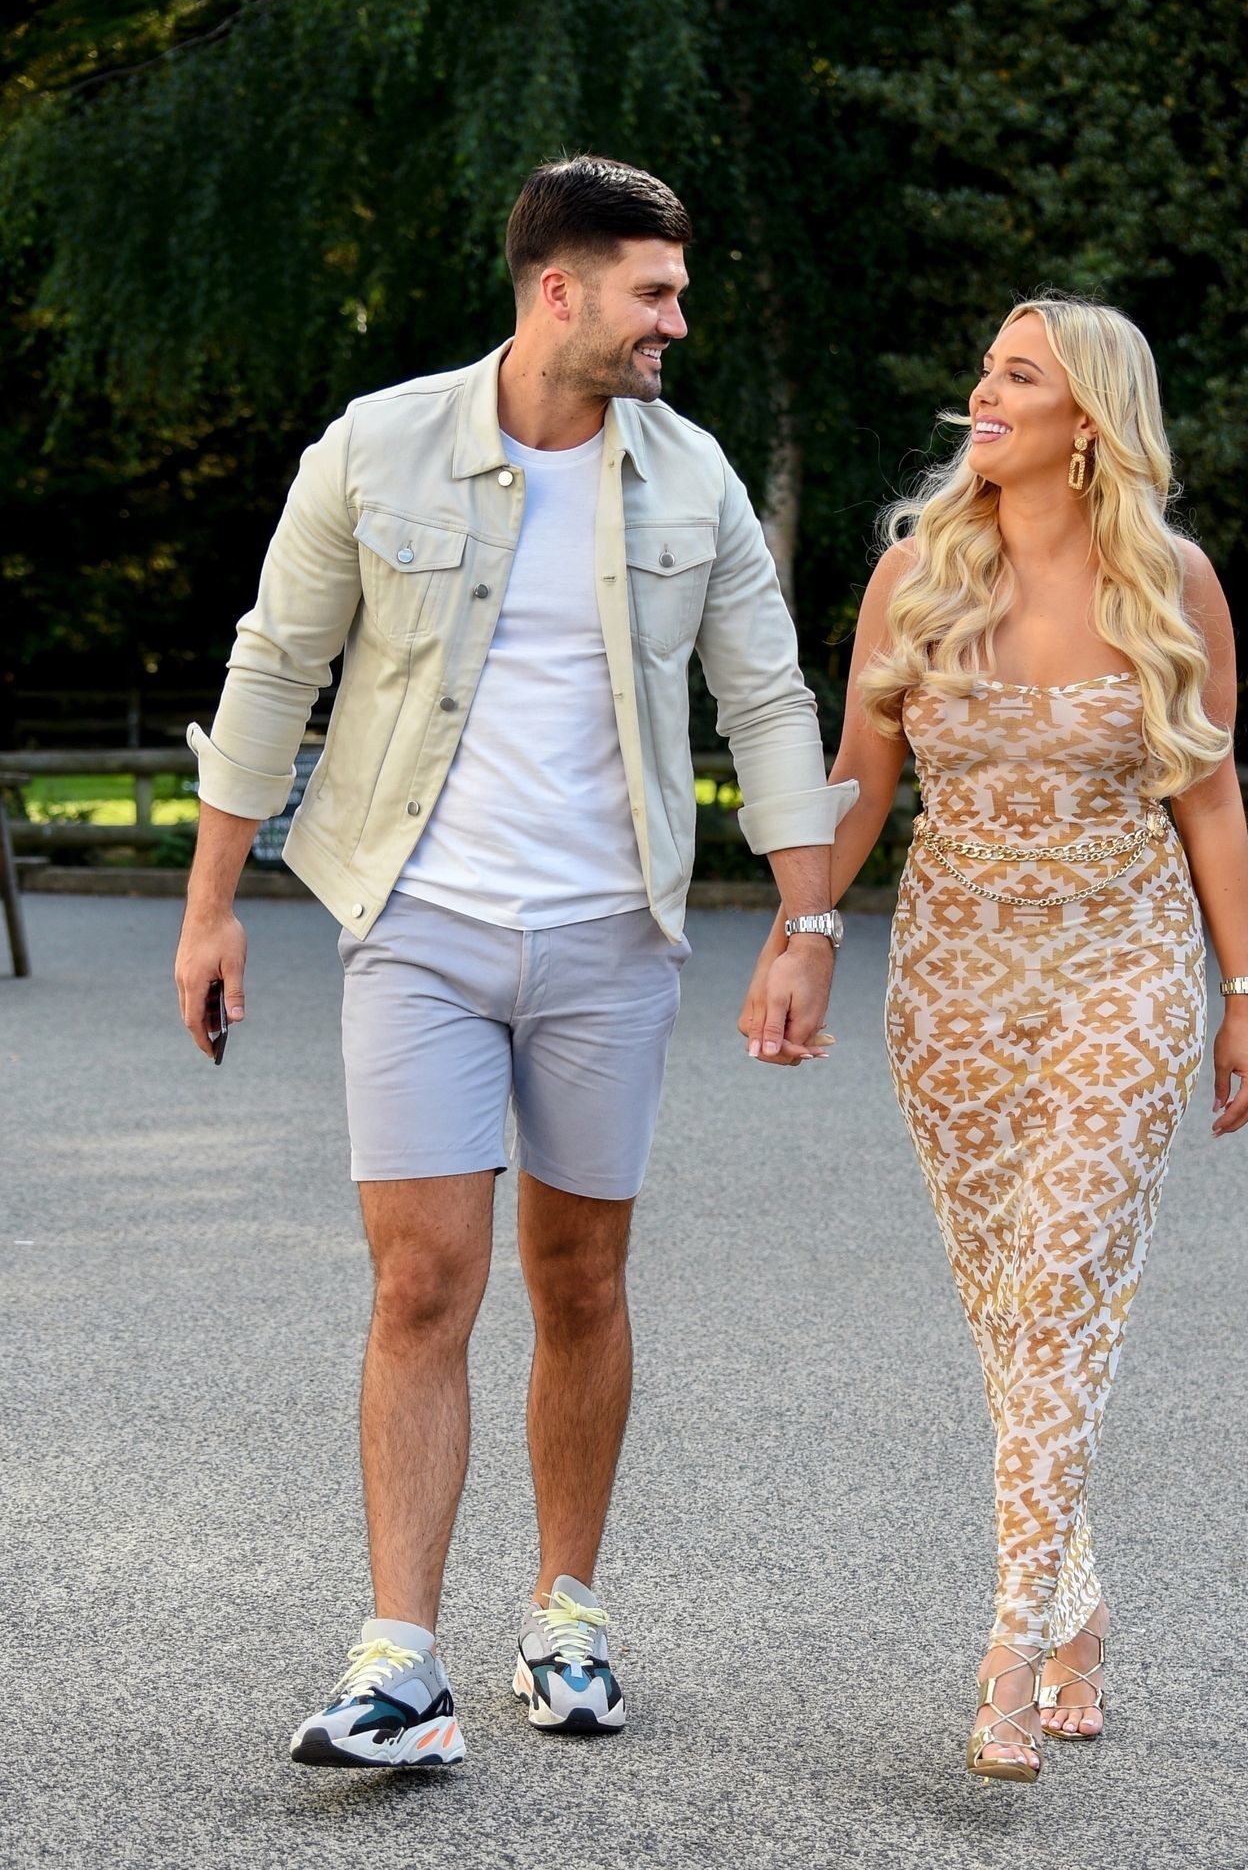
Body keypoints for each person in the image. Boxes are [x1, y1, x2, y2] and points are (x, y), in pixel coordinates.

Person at [173, 156, 856, 1768]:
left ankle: (567, 1613)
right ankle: (399, 1663)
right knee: (422, 1279)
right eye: (653, 293)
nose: (674, 322)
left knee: (579, 1277)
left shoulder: (692, 482)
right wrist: (210, 905)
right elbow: (273, 666)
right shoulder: (376, 445)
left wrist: (808, 922)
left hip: (611, 941)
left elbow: (768, 702)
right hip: (419, 926)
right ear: (560, 289)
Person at [740, 295, 1248, 1782]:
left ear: (1087, 418)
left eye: (1018, 375)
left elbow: (1208, 792)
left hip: (1124, 969)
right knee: (1010, 1310)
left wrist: (1240, 992)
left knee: (1059, 1283)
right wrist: (801, 931)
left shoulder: (1172, 581)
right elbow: (860, 770)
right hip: (953, 981)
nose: (983, 393)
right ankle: (1079, 1602)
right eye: (985, 369)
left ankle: (1010, 1644)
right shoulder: (917, 573)